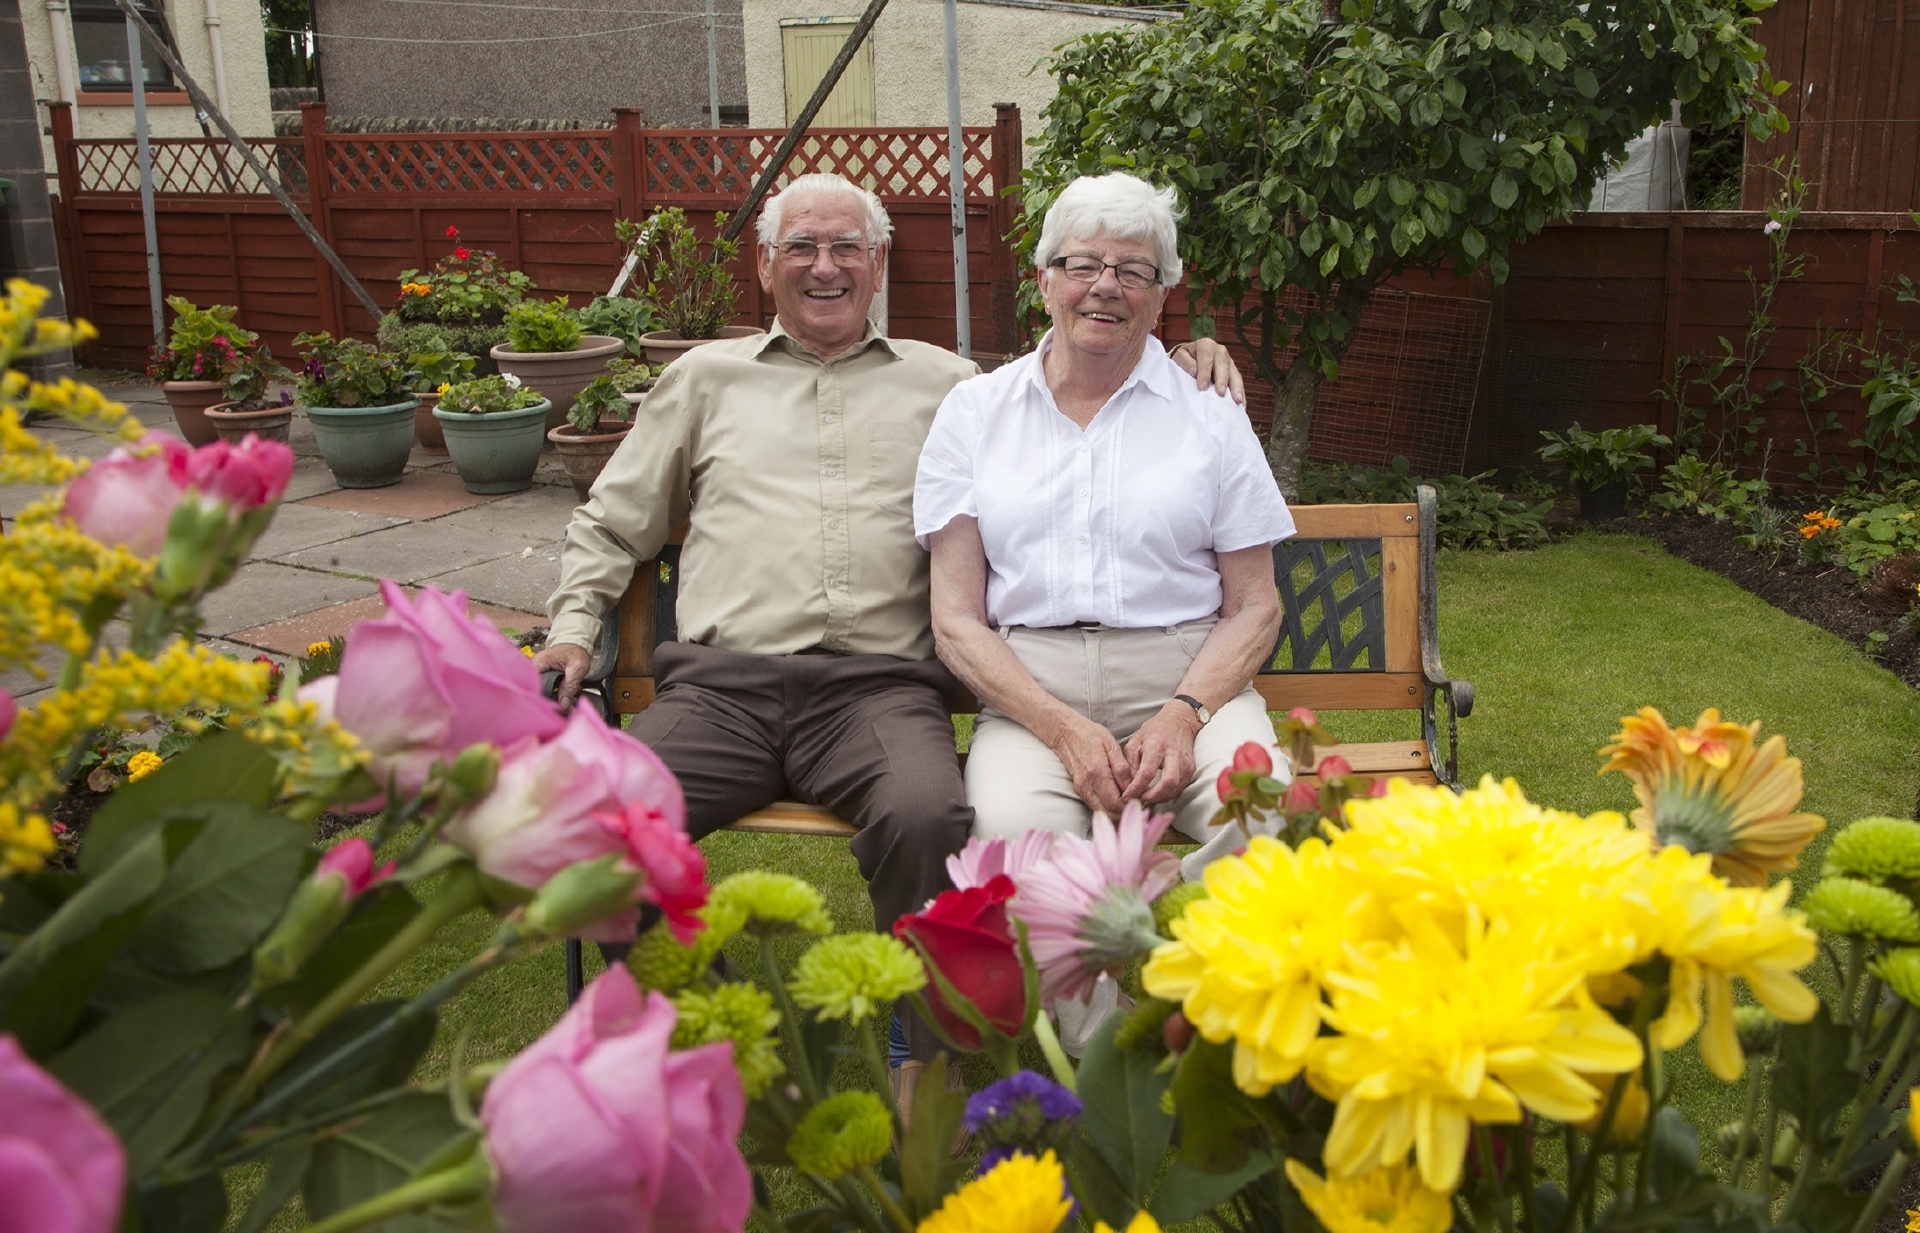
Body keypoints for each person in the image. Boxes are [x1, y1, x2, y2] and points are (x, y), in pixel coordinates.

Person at [534, 172, 1247, 1106]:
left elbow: (1078, 360)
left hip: (877, 693)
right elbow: (616, 523)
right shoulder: (703, 380)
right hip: (720, 690)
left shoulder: (952, 387)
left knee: (927, 817)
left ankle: (924, 1058)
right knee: (609, 822)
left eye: (847, 250)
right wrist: (574, 629)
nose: (824, 268)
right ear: (766, 265)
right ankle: (655, 1042)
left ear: (878, 265)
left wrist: (1182, 349)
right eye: (802, 248)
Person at [917, 170, 1296, 893]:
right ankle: (1096, 995)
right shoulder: (973, 415)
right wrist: (1061, 727)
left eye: (1133, 271)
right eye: (1083, 264)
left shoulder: (1210, 412)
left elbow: (1255, 606)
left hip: (1190, 682)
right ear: (1045, 278)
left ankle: (1162, 951)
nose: (1106, 285)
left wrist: (1184, 717)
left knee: (1265, 822)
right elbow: (957, 620)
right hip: (1033, 692)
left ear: (1162, 295)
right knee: (1012, 846)